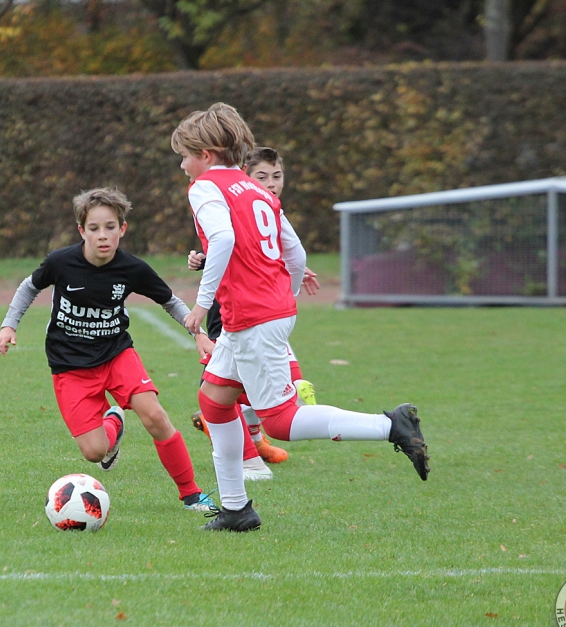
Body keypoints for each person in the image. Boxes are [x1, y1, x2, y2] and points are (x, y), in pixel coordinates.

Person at [171, 103, 430, 532]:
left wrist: (202, 303)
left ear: (207, 154)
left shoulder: (205, 187)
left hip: (252, 317)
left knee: (280, 420)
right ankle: (236, 509)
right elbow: (297, 253)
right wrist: (281, 298)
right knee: (214, 400)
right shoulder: (257, 191)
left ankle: (390, 425)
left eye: (185, 156)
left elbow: (222, 238)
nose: (182, 165)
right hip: (261, 314)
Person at [0, 187, 218, 512]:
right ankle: (115, 422)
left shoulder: (132, 268)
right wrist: (8, 325)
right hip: (70, 366)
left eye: (110, 227)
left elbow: (170, 301)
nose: (102, 235)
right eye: (94, 228)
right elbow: (29, 287)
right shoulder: (61, 262)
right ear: (81, 230)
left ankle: (192, 495)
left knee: (155, 416)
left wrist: (198, 333)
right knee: (94, 452)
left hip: (116, 355)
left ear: (122, 229)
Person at [187, 146, 320, 478]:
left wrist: (285, 277)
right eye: (263, 176)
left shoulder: (259, 201)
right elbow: (228, 244)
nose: (271, 183)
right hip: (236, 308)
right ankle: (251, 453)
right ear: (244, 175)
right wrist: (202, 264)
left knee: (235, 390)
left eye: (277, 176)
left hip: (257, 308)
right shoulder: (238, 195)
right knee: (228, 391)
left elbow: (273, 253)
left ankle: (252, 450)